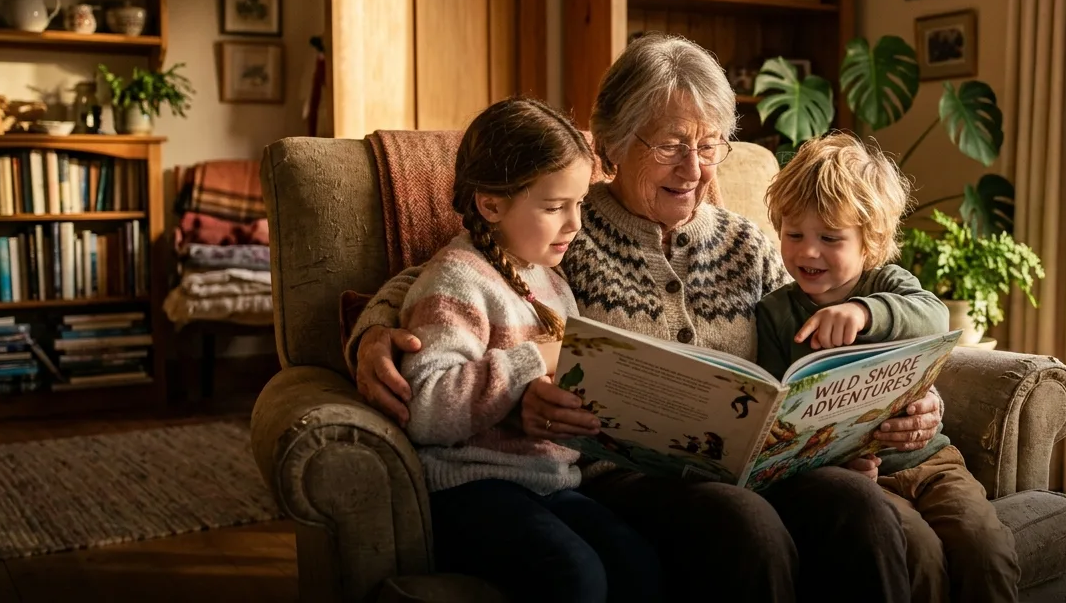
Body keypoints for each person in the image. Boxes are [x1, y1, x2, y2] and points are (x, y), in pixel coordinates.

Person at [347, 33, 948, 602]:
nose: (693, 168)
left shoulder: (750, 243)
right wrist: (373, 332)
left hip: (751, 468)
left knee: (859, 509)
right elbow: (459, 271)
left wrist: (904, 401)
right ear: (610, 145)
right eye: (668, 145)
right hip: (627, 477)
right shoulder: (567, 230)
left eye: (708, 144)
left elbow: (830, 324)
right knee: (746, 526)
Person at [395, 96, 660, 602]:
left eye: (579, 203)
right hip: (471, 490)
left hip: (552, 481)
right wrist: (535, 358)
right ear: (491, 204)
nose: (575, 223)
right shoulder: (457, 279)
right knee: (576, 574)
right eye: (555, 206)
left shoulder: (552, 282)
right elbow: (425, 408)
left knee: (638, 564)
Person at [757, 132, 1021, 603]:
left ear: (870, 243)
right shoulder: (777, 313)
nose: (807, 252)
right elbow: (779, 415)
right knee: (917, 554)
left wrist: (863, 312)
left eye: (830, 238)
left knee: (985, 547)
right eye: (794, 235)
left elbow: (935, 316)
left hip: (932, 462)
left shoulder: (888, 284)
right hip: (861, 477)